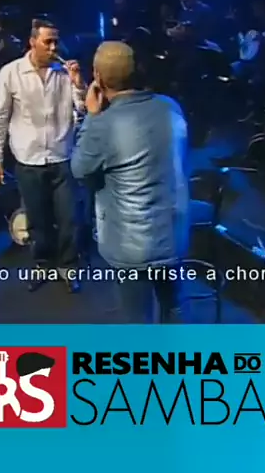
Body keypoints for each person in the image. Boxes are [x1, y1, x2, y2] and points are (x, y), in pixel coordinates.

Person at [71, 41, 190, 323]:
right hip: (173, 233)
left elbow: (80, 169)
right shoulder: (170, 107)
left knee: (137, 320)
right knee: (174, 307)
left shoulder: (103, 123)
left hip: (131, 247)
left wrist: (91, 116)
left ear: (98, 77)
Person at [0, 19, 86, 292]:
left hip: (63, 157)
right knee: (38, 220)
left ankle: (68, 267)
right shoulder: (11, 73)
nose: (54, 47)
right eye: (47, 42)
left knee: (69, 219)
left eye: (56, 41)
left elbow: (83, 110)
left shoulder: (65, 73)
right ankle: (43, 265)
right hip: (28, 160)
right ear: (32, 42)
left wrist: (79, 84)